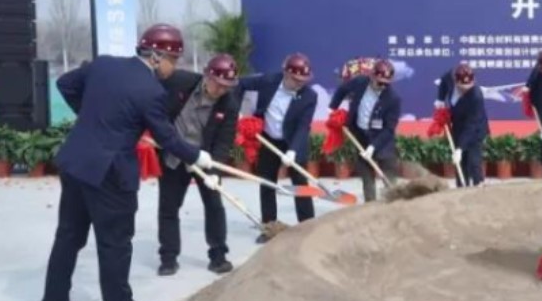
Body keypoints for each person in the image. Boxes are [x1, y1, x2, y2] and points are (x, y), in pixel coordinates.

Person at [41, 24, 212, 301]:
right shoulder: (151, 92)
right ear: (156, 56)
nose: (175, 67)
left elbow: (65, 83)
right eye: (174, 60)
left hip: (76, 161)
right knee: (115, 240)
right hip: (109, 172)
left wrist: (92, 117)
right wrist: (197, 156)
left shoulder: (104, 65)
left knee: (69, 234)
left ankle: (54, 298)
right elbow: (168, 138)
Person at [156, 53, 241, 276]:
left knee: (214, 206)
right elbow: (152, 95)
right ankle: (168, 258)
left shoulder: (229, 104)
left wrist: (214, 171)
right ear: (207, 75)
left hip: (205, 159)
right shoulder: (180, 81)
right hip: (174, 155)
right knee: (168, 208)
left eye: (227, 86)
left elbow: (224, 141)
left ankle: (218, 256)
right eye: (218, 83)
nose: (221, 90)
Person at [238, 53, 318, 242]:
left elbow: (303, 127)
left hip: (293, 142)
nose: (299, 84)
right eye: (296, 80)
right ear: (286, 73)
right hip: (269, 139)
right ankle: (269, 227)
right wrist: (237, 111)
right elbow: (239, 84)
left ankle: (307, 228)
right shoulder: (268, 81)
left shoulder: (309, 96)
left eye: (303, 81)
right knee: (267, 183)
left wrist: (293, 151)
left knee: (301, 186)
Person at [329, 58, 402, 202]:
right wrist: (332, 107)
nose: (382, 86)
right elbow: (342, 89)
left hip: (382, 141)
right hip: (360, 136)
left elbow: (389, 129)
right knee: (367, 176)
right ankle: (370, 206)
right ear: (372, 76)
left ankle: (393, 206)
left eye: (386, 84)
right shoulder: (360, 82)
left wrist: (373, 147)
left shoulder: (393, 99)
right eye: (380, 82)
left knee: (389, 177)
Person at [432, 62, 489, 185]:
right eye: (462, 86)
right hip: (458, 124)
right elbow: (443, 82)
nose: (465, 89)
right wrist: (440, 99)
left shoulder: (476, 96)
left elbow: (471, 125)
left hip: (475, 129)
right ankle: (461, 188)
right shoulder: (450, 77)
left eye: (468, 86)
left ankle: (479, 186)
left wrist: (460, 148)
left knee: (474, 161)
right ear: (456, 81)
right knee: (460, 163)